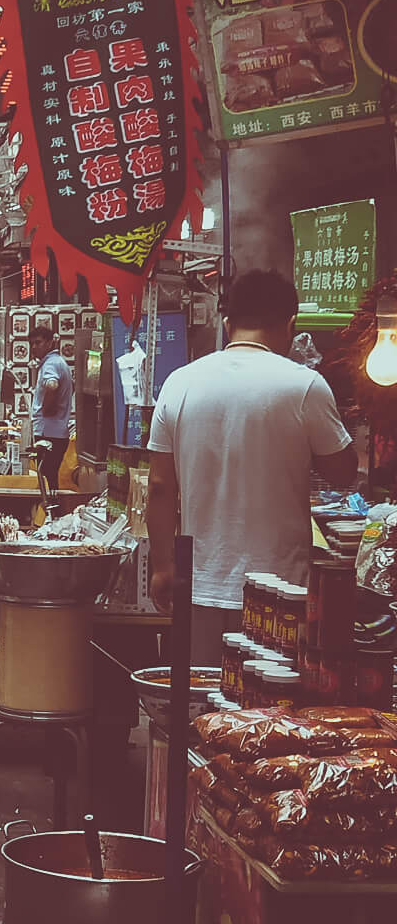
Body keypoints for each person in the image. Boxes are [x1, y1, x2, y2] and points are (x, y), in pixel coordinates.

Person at [148, 269, 356, 665]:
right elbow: (343, 472)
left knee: (204, 694)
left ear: (228, 324)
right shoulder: (304, 386)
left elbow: (159, 486)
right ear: (291, 325)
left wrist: (162, 567)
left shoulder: (179, 383)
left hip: (200, 583)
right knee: (270, 698)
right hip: (281, 592)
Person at [29, 326, 73, 491]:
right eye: (32, 343)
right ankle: (51, 506)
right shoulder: (58, 362)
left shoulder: (51, 364)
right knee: (50, 477)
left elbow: (52, 385)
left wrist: (47, 408)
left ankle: (50, 506)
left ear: (49, 343)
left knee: (46, 478)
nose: (34, 347)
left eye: (38, 342)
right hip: (56, 432)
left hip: (48, 433)